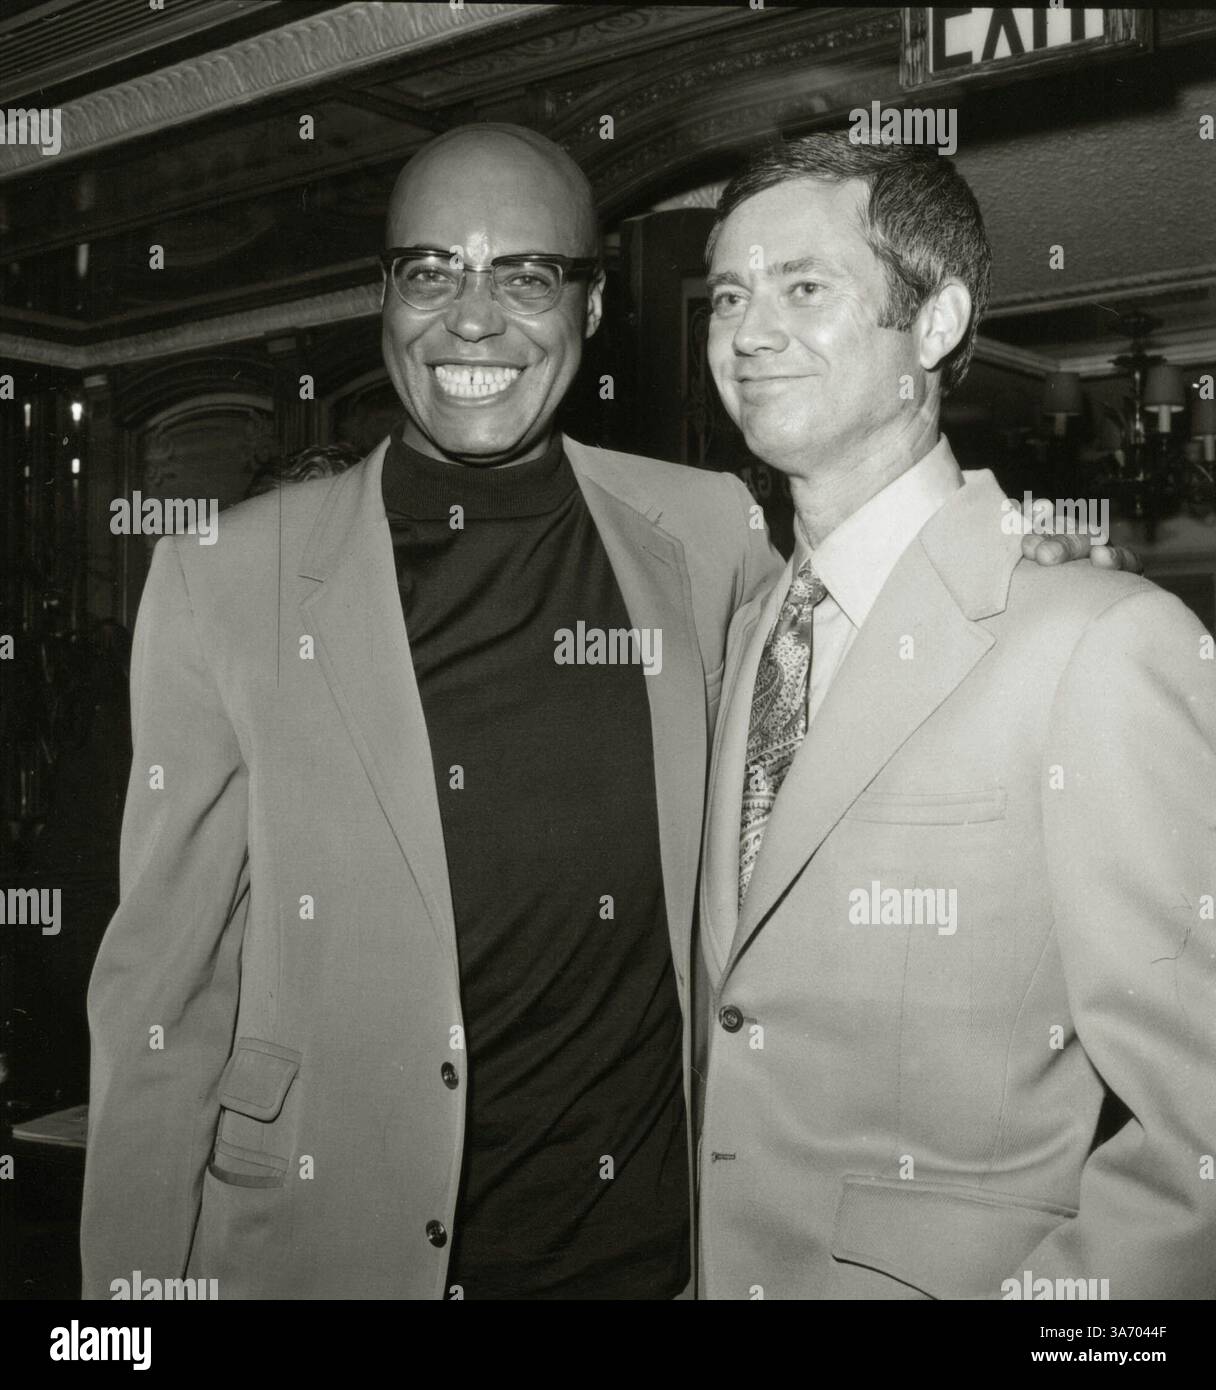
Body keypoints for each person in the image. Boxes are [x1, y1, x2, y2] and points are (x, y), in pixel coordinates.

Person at [81, 122, 1118, 1301]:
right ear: (383, 296)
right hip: (327, 1253)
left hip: (651, 1262)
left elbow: (873, 631)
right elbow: (160, 997)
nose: (473, 320)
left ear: (590, 307)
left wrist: (1025, 555)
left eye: (526, 277)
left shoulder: (706, 530)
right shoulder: (224, 579)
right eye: (430, 273)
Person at [696, 132, 1216, 1300]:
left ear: (933, 325)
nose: (747, 332)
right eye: (727, 295)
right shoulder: (749, 635)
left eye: (803, 288)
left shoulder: (1101, 640)